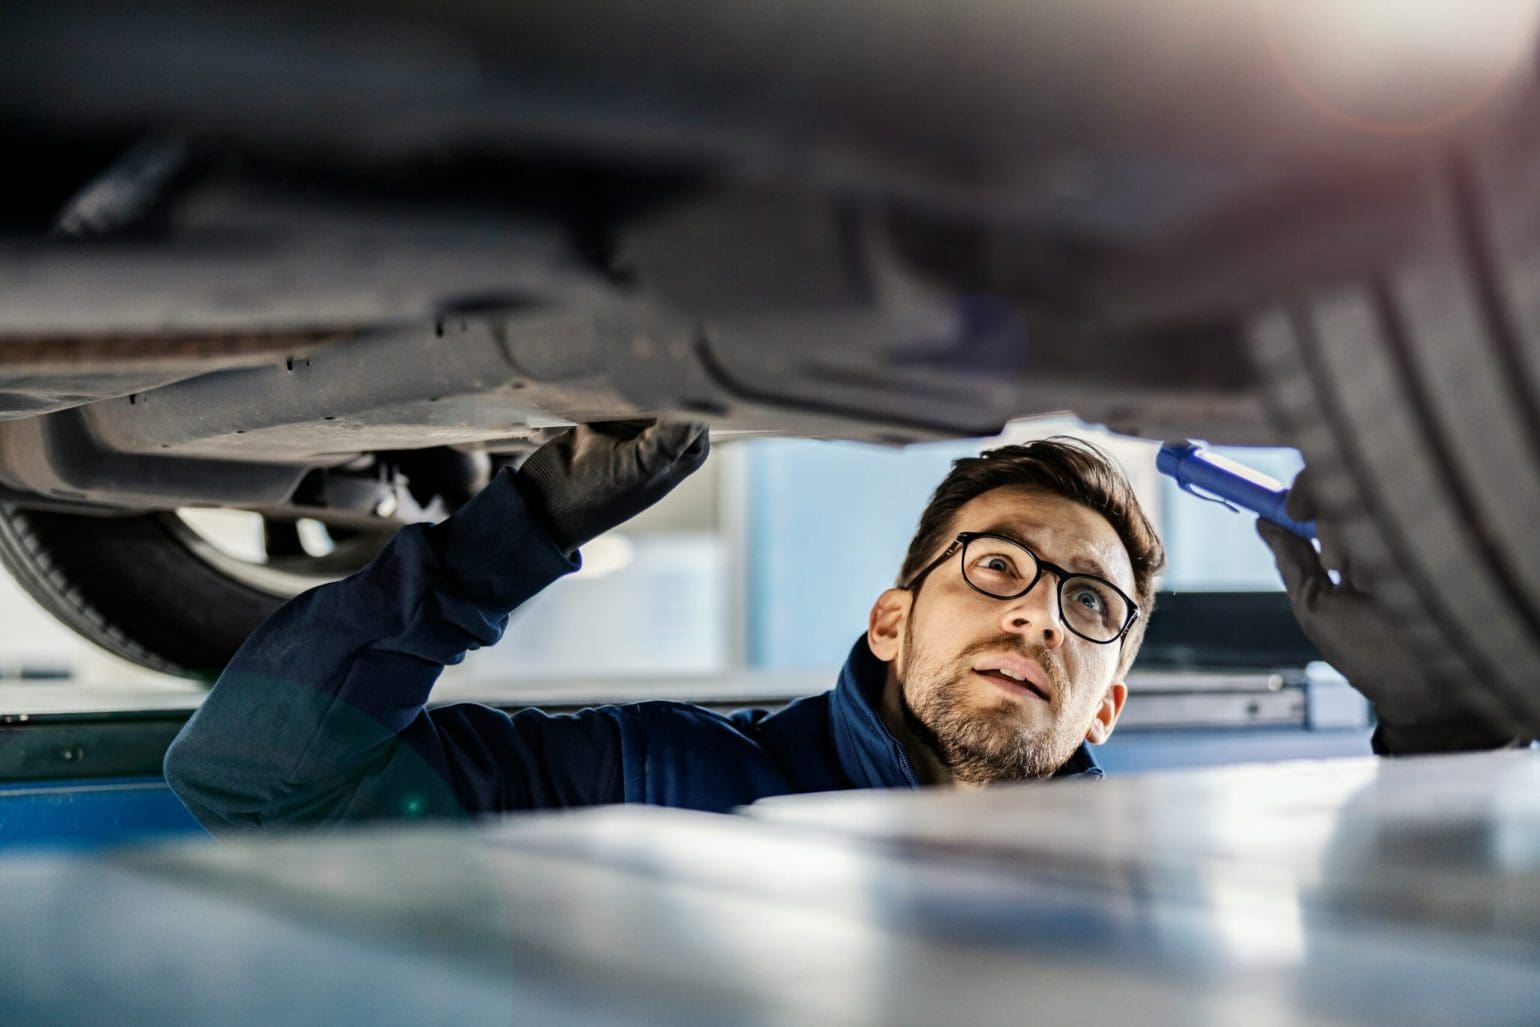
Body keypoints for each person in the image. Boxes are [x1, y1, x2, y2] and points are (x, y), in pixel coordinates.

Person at [162, 423, 1509, 832]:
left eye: (1090, 604)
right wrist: (516, 533)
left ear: (1107, 699)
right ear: (890, 618)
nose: (1040, 609)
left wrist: (1450, 726)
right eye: (997, 566)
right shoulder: (658, 780)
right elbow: (250, 779)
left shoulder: (1158, 884)